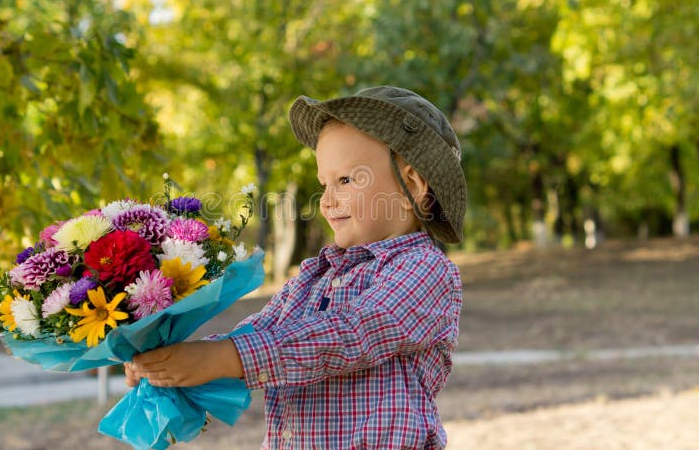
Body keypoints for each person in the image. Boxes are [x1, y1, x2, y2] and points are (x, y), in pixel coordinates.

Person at [125, 86, 467, 449]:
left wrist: (226, 357)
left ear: (412, 184)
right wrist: (175, 365)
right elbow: (262, 331)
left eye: (346, 180)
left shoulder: (426, 270)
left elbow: (353, 332)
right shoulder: (315, 275)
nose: (327, 200)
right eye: (324, 184)